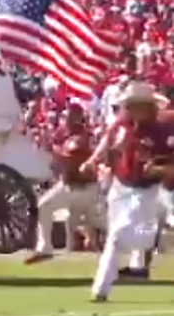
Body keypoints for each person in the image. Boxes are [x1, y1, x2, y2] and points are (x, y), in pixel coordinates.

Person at [78, 81, 174, 301]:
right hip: (120, 187)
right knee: (116, 235)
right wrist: (93, 160)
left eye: (133, 105)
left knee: (119, 236)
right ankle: (102, 288)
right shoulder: (124, 123)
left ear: (148, 106)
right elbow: (107, 140)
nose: (127, 109)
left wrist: (160, 169)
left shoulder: (165, 129)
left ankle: (100, 288)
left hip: (147, 191)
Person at [26, 104, 98, 263]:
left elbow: (71, 161)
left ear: (78, 118)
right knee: (45, 205)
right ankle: (44, 248)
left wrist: (51, 149)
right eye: (65, 116)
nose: (64, 119)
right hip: (70, 186)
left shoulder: (81, 137)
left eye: (69, 116)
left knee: (102, 225)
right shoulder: (67, 136)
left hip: (83, 188)